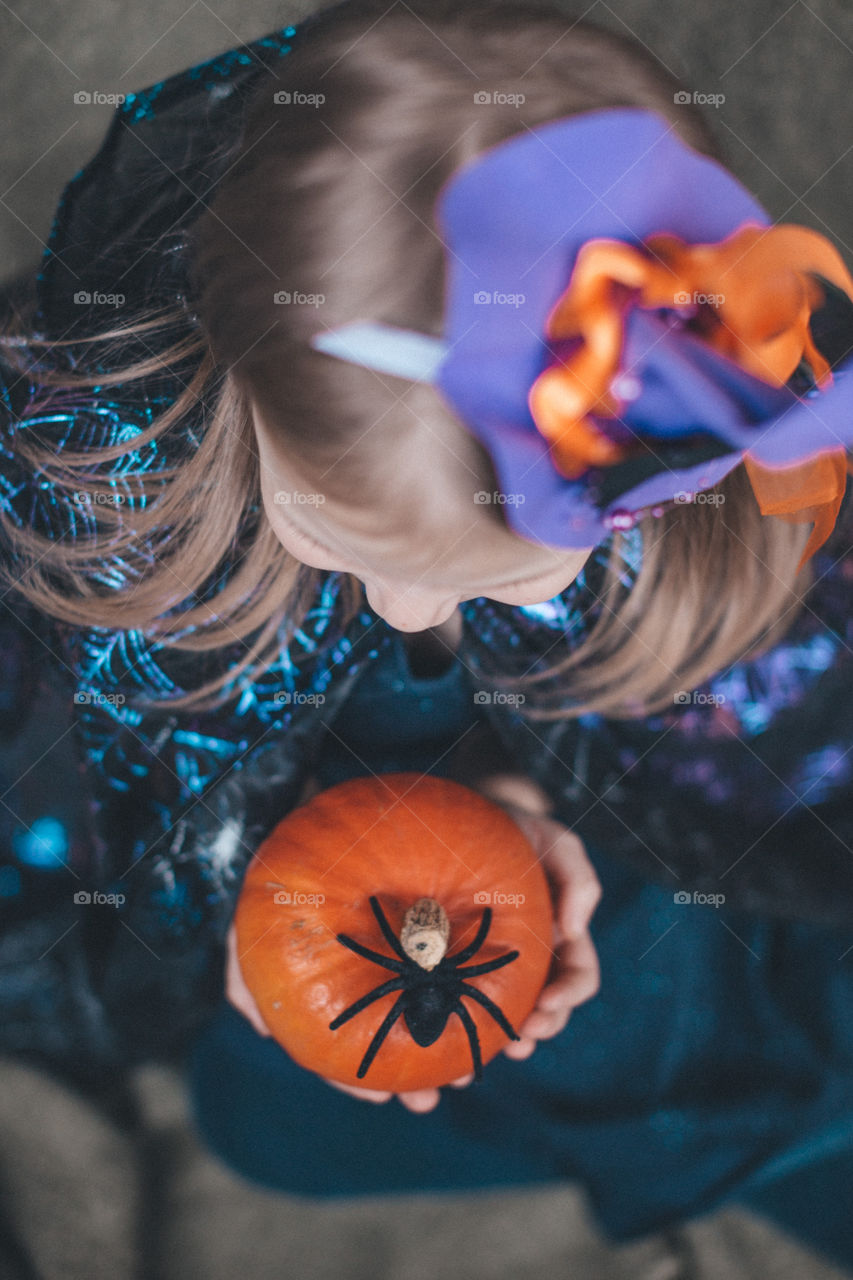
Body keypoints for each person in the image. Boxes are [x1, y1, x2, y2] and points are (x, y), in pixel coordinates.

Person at [3, 0, 853, 1261]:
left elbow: (748, 763)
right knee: (265, 1116)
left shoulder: (682, 462)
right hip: (333, 910)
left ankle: (732, 1119)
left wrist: (504, 789)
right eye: (344, 551)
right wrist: (252, 910)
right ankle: (752, 1122)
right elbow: (134, 799)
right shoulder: (110, 486)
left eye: (508, 582)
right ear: (238, 381)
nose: (408, 615)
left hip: (606, 860)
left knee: (646, 980)